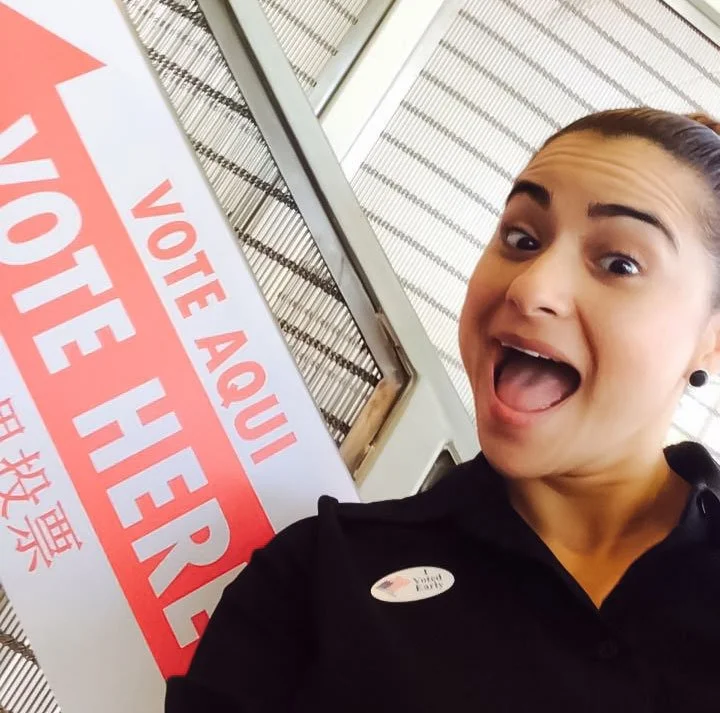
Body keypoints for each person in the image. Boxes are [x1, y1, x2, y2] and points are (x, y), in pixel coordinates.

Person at [165, 109, 720, 712]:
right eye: (521, 239)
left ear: (711, 337)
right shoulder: (319, 575)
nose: (530, 287)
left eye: (619, 264)